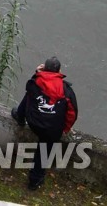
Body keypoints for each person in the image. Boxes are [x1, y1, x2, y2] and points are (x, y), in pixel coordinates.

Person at [11, 57, 78, 190]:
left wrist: (37, 73)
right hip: (52, 130)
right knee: (43, 151)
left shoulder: (36, 81)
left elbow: (30, 87)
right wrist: (65, 129)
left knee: (30, 93)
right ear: (59, 71)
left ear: (44, 68)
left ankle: (20, 116)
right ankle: (34, 181)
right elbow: (72, 113)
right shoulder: (66, 90)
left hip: (33, 123)